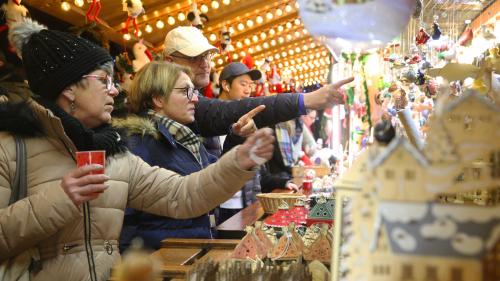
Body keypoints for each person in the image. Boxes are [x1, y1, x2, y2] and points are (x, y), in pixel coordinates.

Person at [0, 19, 274, 281]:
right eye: (104, 80)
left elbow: (184, 194)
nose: (115, 90)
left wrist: (239, 160)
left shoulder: (114, 153)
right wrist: (60, 198)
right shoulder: (11, 147)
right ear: (70, 88)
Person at [115, 61, 264, 251]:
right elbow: (127, 225)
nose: (195, 99)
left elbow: (213, 180)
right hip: (166, 264)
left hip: (192, 253)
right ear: (158, 99)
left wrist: (237, 139)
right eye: (185, 91)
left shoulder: (185, 138)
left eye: (194, 92)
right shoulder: (139, 143)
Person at [163, 26, 354, 157]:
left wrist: (238, 137)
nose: (205, 63)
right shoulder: (176, 101)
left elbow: (216, 167)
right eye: (194, 57)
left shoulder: (193, 100)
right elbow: (226, 111)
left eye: (207, 55)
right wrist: (305, 100)